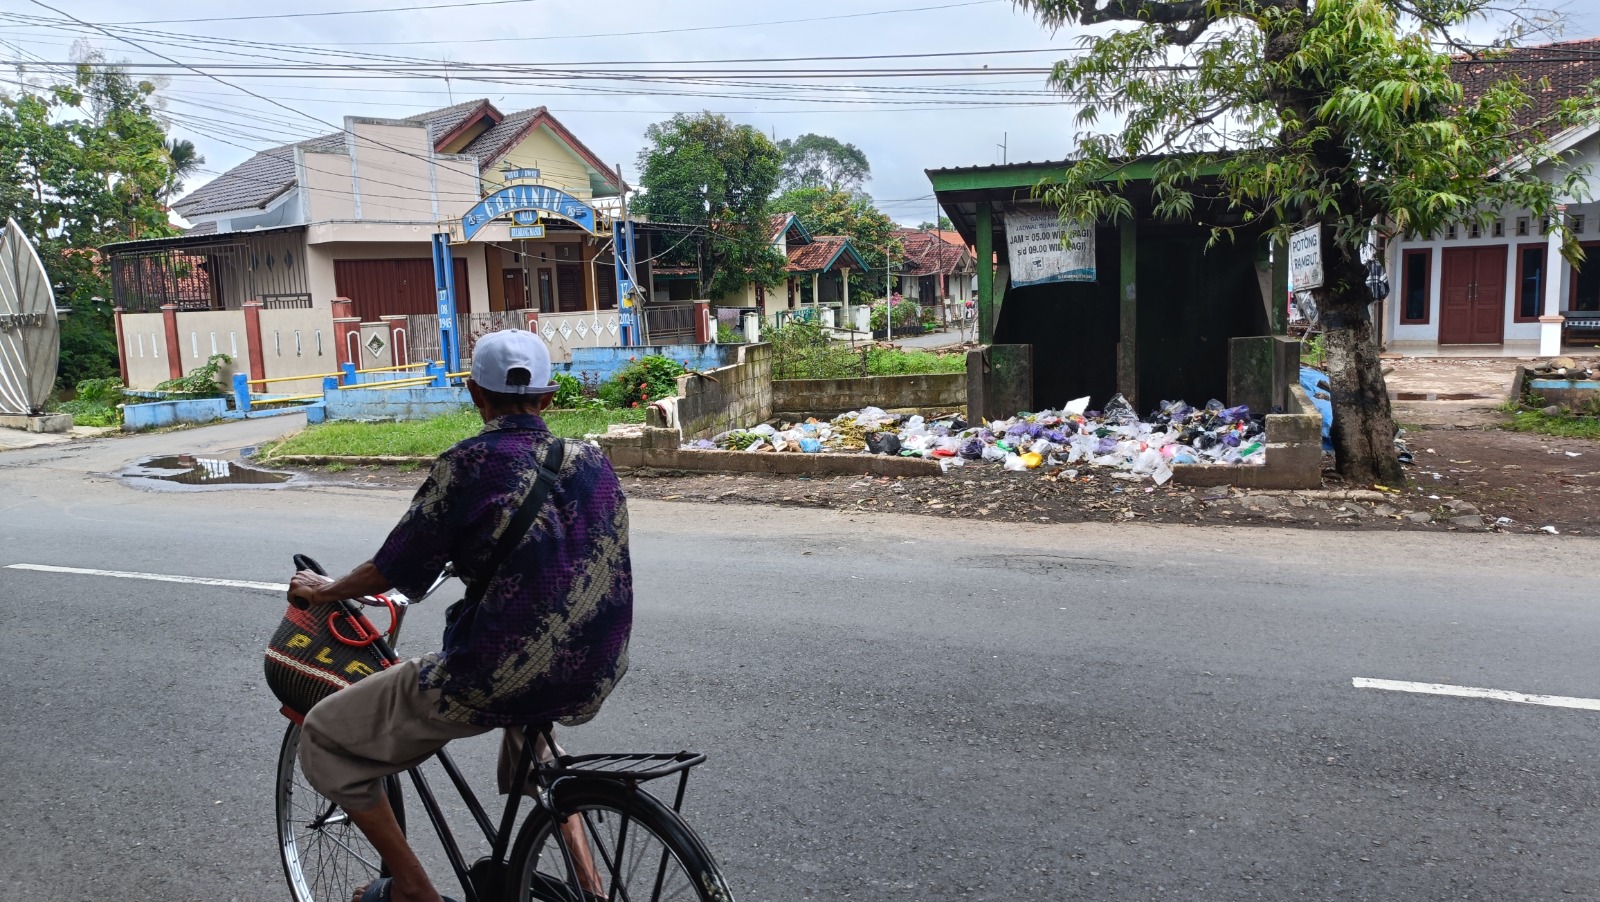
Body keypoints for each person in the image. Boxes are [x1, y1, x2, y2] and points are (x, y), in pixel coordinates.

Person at [288, 330, 632, 902]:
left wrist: (326, 591)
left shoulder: (470, 463)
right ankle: (592, 888)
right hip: (596, 666)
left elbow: (393, 568)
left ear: (475, 395)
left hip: (494, 672)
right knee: (533, 722)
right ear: (547, 399)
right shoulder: (595, 461)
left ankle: (413, 889)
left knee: (323, 735)